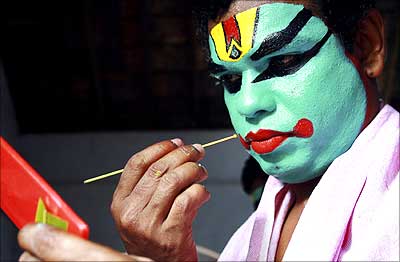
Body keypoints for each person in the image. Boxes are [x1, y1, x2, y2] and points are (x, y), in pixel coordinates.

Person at [17, 0, 399, 261]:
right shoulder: (255, 230)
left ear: (366, 46)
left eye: (284, 60)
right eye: (231, 79)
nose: (248, 104)